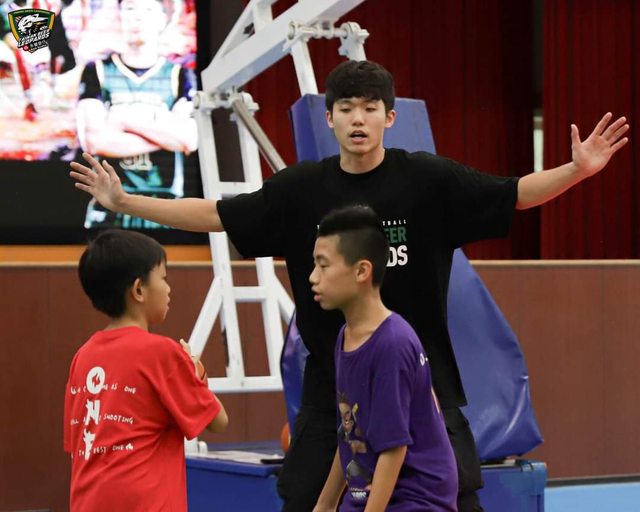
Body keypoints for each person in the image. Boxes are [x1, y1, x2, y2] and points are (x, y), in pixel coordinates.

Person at [68, 59, 629, 511]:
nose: (358, 119)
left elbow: (514, 194)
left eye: (370, 108)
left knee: (454, 495)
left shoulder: (428, 180)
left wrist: (577, 170)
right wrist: (126, 201)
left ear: (389, 117)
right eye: (345, 108)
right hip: (332, 382)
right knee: (306, 497)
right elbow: (215, 213)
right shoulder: (300, 190)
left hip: (421, 377)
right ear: (330, 119)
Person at [63, 229, 228, 511]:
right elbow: (218, 421)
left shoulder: (82, 356)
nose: (168, 288)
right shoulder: (163, 353)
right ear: (139, 290)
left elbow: (78, 445)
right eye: (163, 278)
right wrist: (195, 373)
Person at [310, 205, 458, 511]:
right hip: (367, 491)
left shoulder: (392, 344)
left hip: (415, 501)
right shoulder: (346, 335)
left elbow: (394, 450)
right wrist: (324, 505)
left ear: (362, 271)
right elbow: (350, 432)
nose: (313, 277)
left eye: (323, 266)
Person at [75, 0, 198, 229]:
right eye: (130, 9)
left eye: (147, 9)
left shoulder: (180, 75)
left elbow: (188, 139)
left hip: (166, 205)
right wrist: (164, 135)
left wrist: (123, 120)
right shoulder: (97, 71)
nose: (138, 17)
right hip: (110, 205)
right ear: (120, 16)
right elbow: (94, 140)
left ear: (163, 18)